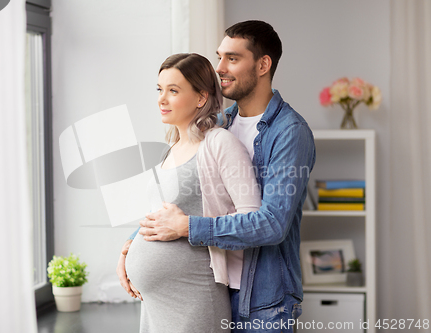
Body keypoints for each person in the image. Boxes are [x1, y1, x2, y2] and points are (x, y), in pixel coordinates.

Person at [120, 20, 316, 333]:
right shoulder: (219, 124)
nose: (220, 68)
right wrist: (131, 246)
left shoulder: (289, 133)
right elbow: (182, 201)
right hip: (216, 284)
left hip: (262, 301)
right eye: (219, 56)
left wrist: (187, 227)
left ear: (263, 64)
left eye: (233, 58)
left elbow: (272, 224)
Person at [120, 53, 262, 333]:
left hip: (194, 298)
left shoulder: (220, 143)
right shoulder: (170, 147)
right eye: (160, 89)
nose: (161, 99)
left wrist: (187, 227)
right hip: (154, 305)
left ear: (200, 98)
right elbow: (158, 217)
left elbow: (252, 218)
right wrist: (126, 252)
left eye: (173, 91)